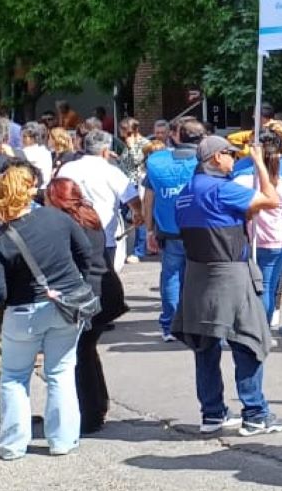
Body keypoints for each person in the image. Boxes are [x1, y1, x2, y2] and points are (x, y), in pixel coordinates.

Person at [174, 137, 282, 436]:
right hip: (229, 273)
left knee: (205, 345)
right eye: (229, 155)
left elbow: (244, 213)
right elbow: (271, 200)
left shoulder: (186, 192)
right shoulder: (222, 189)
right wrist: (260, 163)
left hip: (197, 274)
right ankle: (255, 413)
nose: (233, 160)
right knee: (248, 342)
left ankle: (212, 412)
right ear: (214, 158)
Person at [0, 167, 96, 460]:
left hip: (24, 311)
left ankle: (13, 444)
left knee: (14, 376)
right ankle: (63, 440)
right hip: (68, 304)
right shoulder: (56, 217)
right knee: (61, 372)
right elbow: (86, 254)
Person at [45, 176, 127, 434]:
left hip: (88, 293)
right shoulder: (88, 214)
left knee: (81, 353)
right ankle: (97, 405)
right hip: (106, 288)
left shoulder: (65, 223)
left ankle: (90, 414)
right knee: (87, 350)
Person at [142, 119, 202, 341]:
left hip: (169, 230)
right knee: (201, 277)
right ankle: (196, 323)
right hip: (200, 230)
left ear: (176, 136)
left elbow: (149, 199)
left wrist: (149, 230)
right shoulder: (204, 159)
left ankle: (170, 325)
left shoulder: (157, 162)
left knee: (171, 278)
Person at [55, 130, 141, 273]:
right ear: (105, 151)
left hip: (71, 237)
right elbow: (133, 199)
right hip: (104, 237)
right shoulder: (112, 172)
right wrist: (138, 213)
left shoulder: (66, 169)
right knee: (105, 284)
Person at [241, 132, 282, 326]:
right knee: (268, 286)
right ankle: (262, 327)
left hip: (253, 240)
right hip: (278, 242)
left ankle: (258, 325)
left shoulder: (244, 184)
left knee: (257, 287)